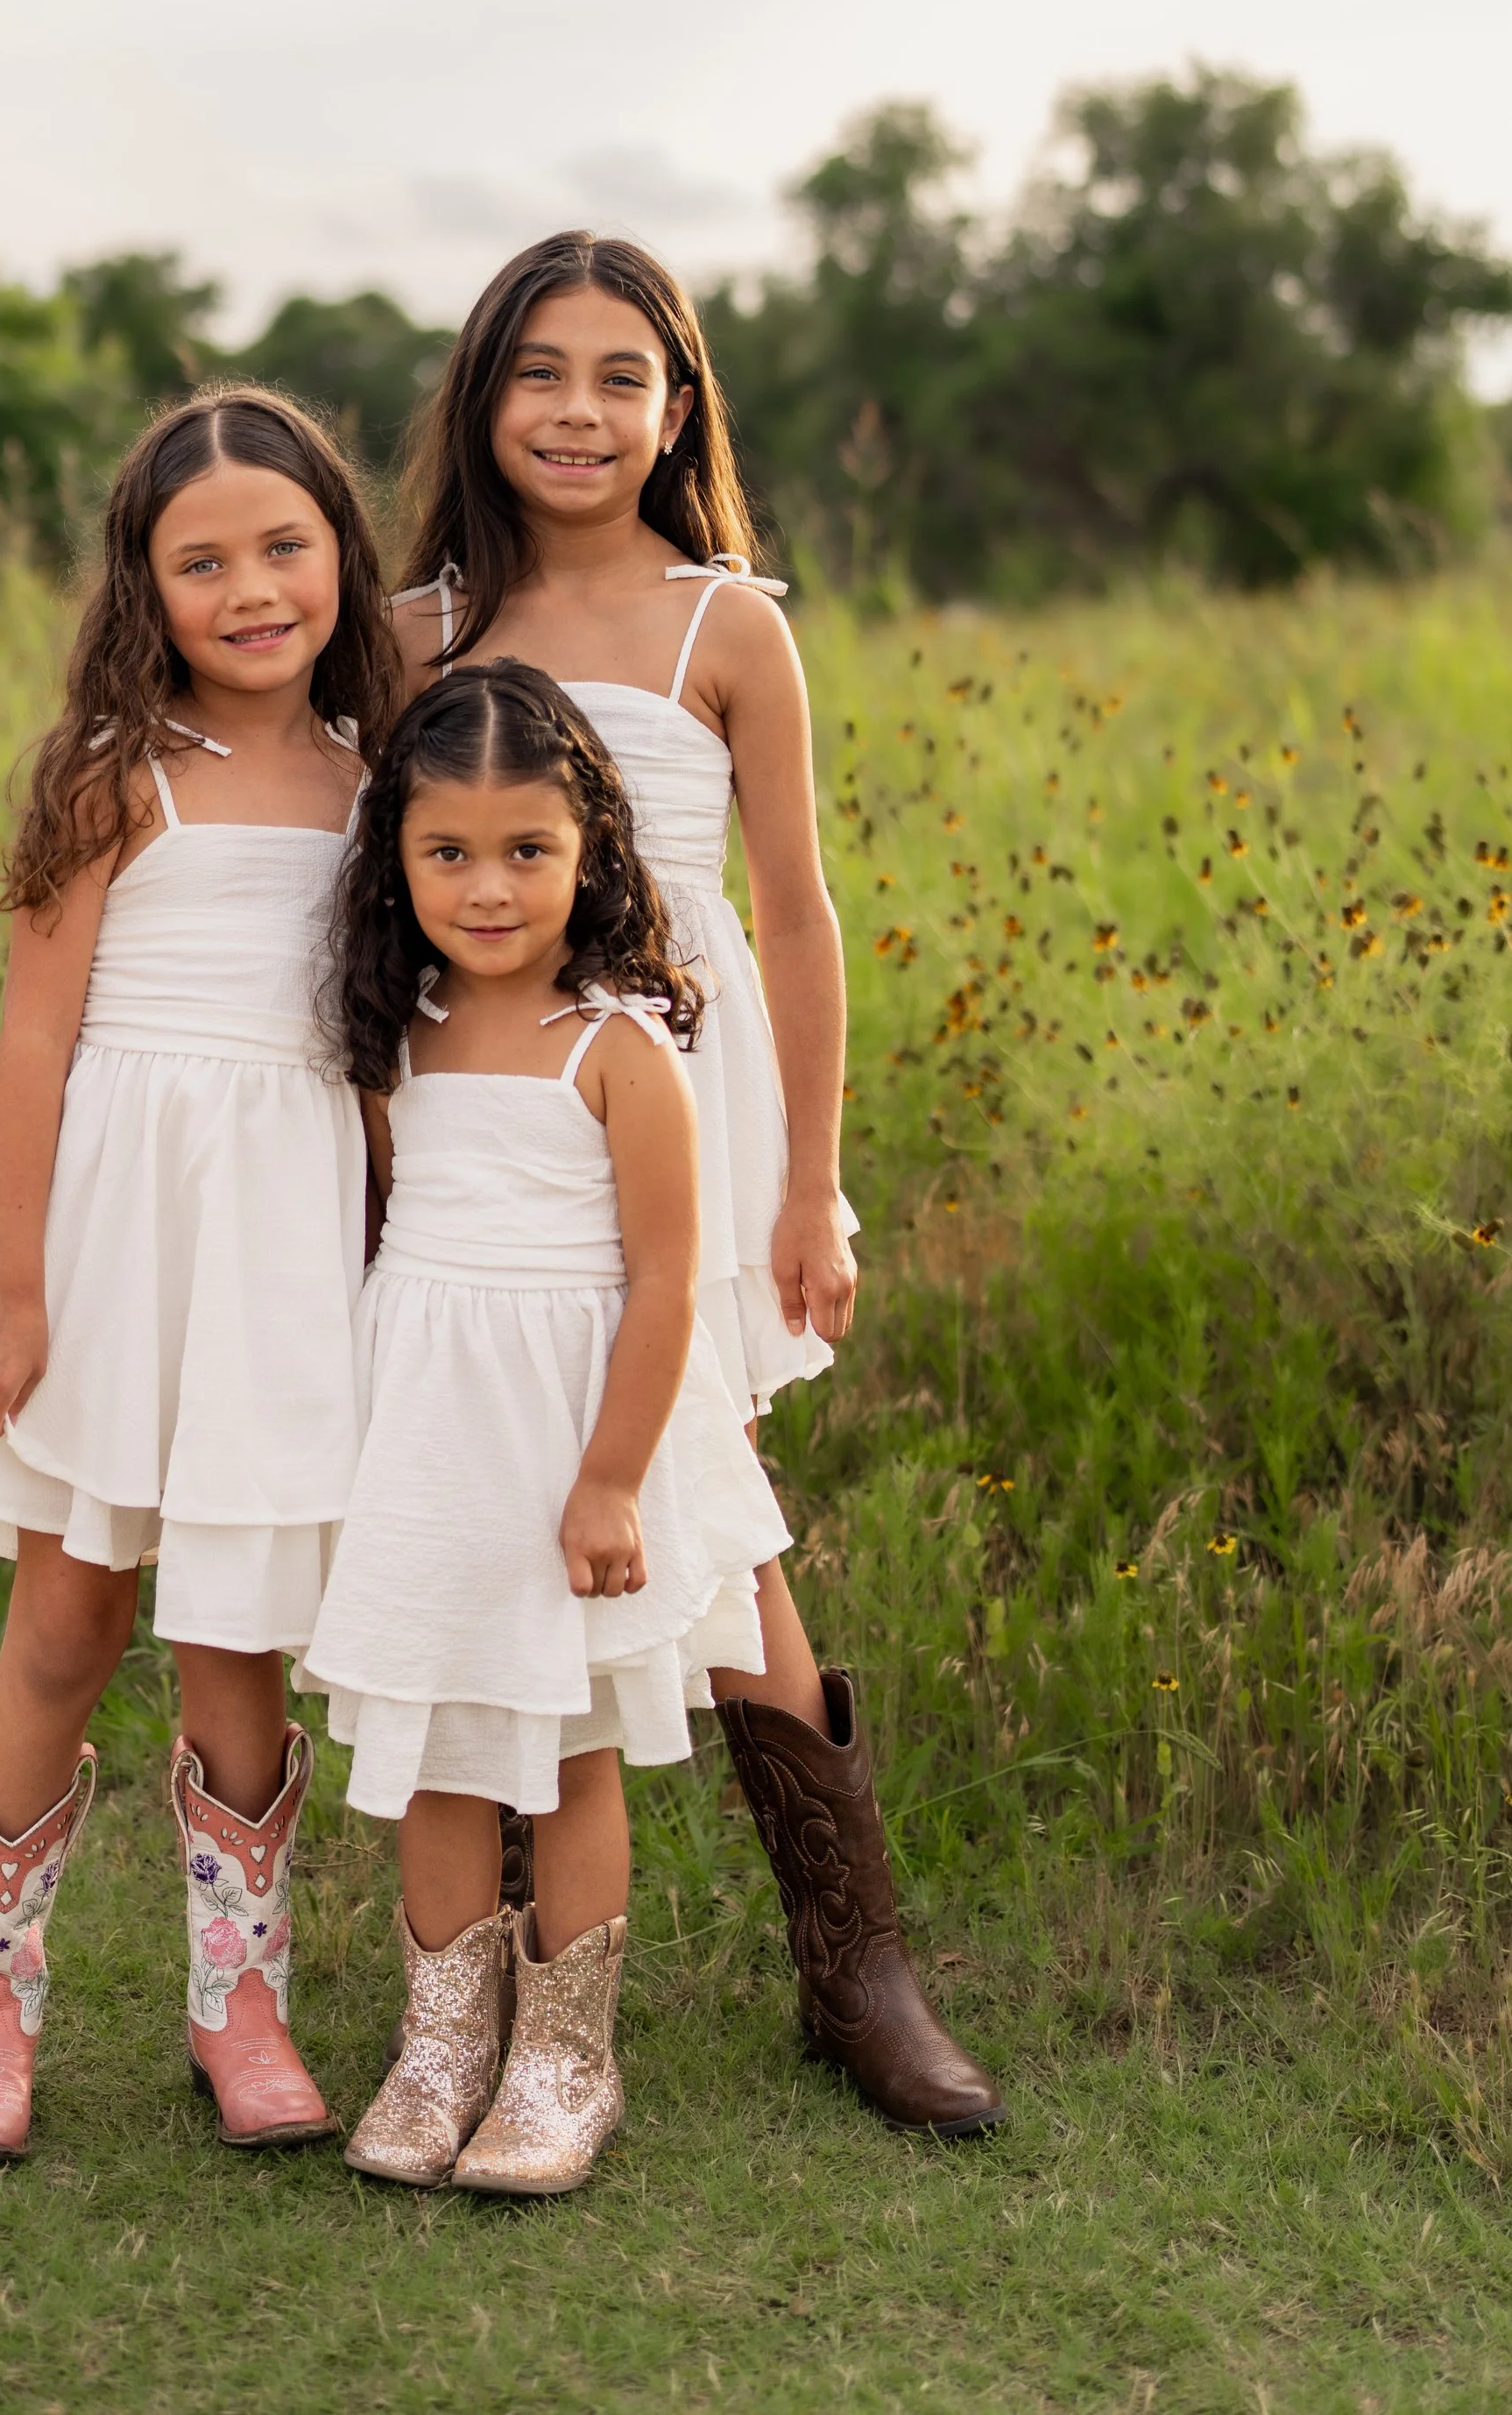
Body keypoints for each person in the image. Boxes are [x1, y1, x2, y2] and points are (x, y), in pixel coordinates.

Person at [392, 234, 1002, 2137]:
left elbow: (798, 917)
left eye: (621, 378)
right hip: (487, 1118)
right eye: (540, 374)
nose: (579, 414)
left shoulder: (722, 623)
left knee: (700, 1499)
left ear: (676, 410)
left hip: (684, 1097)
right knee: (500, 1489)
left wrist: (807, 1184)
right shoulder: (414, 631)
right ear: (484, 397)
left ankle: (857, 1965)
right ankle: (488, 1978)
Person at [0, 387, 397, 2162]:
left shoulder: (379, 774)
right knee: (69, 1616)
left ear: (340, 553)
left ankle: (235, 2000)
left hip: (280, 1235)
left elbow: (387, 1046)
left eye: (282, 547)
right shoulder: (114, 774)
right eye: (202, 562)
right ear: (143, 586)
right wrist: (7, 1292)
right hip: (106, 1227)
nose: (250, 588)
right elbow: (33, 1042)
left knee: (236, 1627)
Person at [302, 661, 788, 2195]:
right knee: (443, 1744)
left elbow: (662, 1289)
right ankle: (443, 2038)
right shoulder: (408, 1033)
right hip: (435, 1438)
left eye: (529, 851)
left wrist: (611, 1480)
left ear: (593, 853)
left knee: (572, 1750)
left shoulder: (622, 1048)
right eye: (449, 852)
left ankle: (566, 2054)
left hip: (575, 1435)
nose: (489, 886)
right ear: (398, 857)